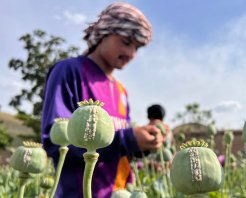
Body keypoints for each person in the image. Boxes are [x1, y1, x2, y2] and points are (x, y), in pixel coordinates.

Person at [41, 2, 164, 198]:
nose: (131, 53)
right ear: (104, 33)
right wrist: (128, 139)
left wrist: (144, 144)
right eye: (126, 42)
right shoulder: (69, 71)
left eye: (137, 47)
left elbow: (120, 151)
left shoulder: (122, 91)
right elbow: (54, 139)